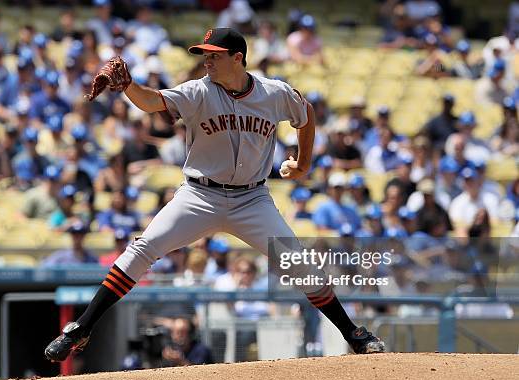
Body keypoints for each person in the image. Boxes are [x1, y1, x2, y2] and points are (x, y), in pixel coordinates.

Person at [45, 28, 384, 362]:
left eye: (214, 56)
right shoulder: (198, 91)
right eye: (204, 55)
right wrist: (128, 87)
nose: (206, 61)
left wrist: (302, 163)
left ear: (238, 58)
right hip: (199, 196)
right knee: (143, 248)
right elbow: (152, 102)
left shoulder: (273, 92)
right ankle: (81, 327)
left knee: (298, 263)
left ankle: (351, 332)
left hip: (252, 200)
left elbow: (305, 114)